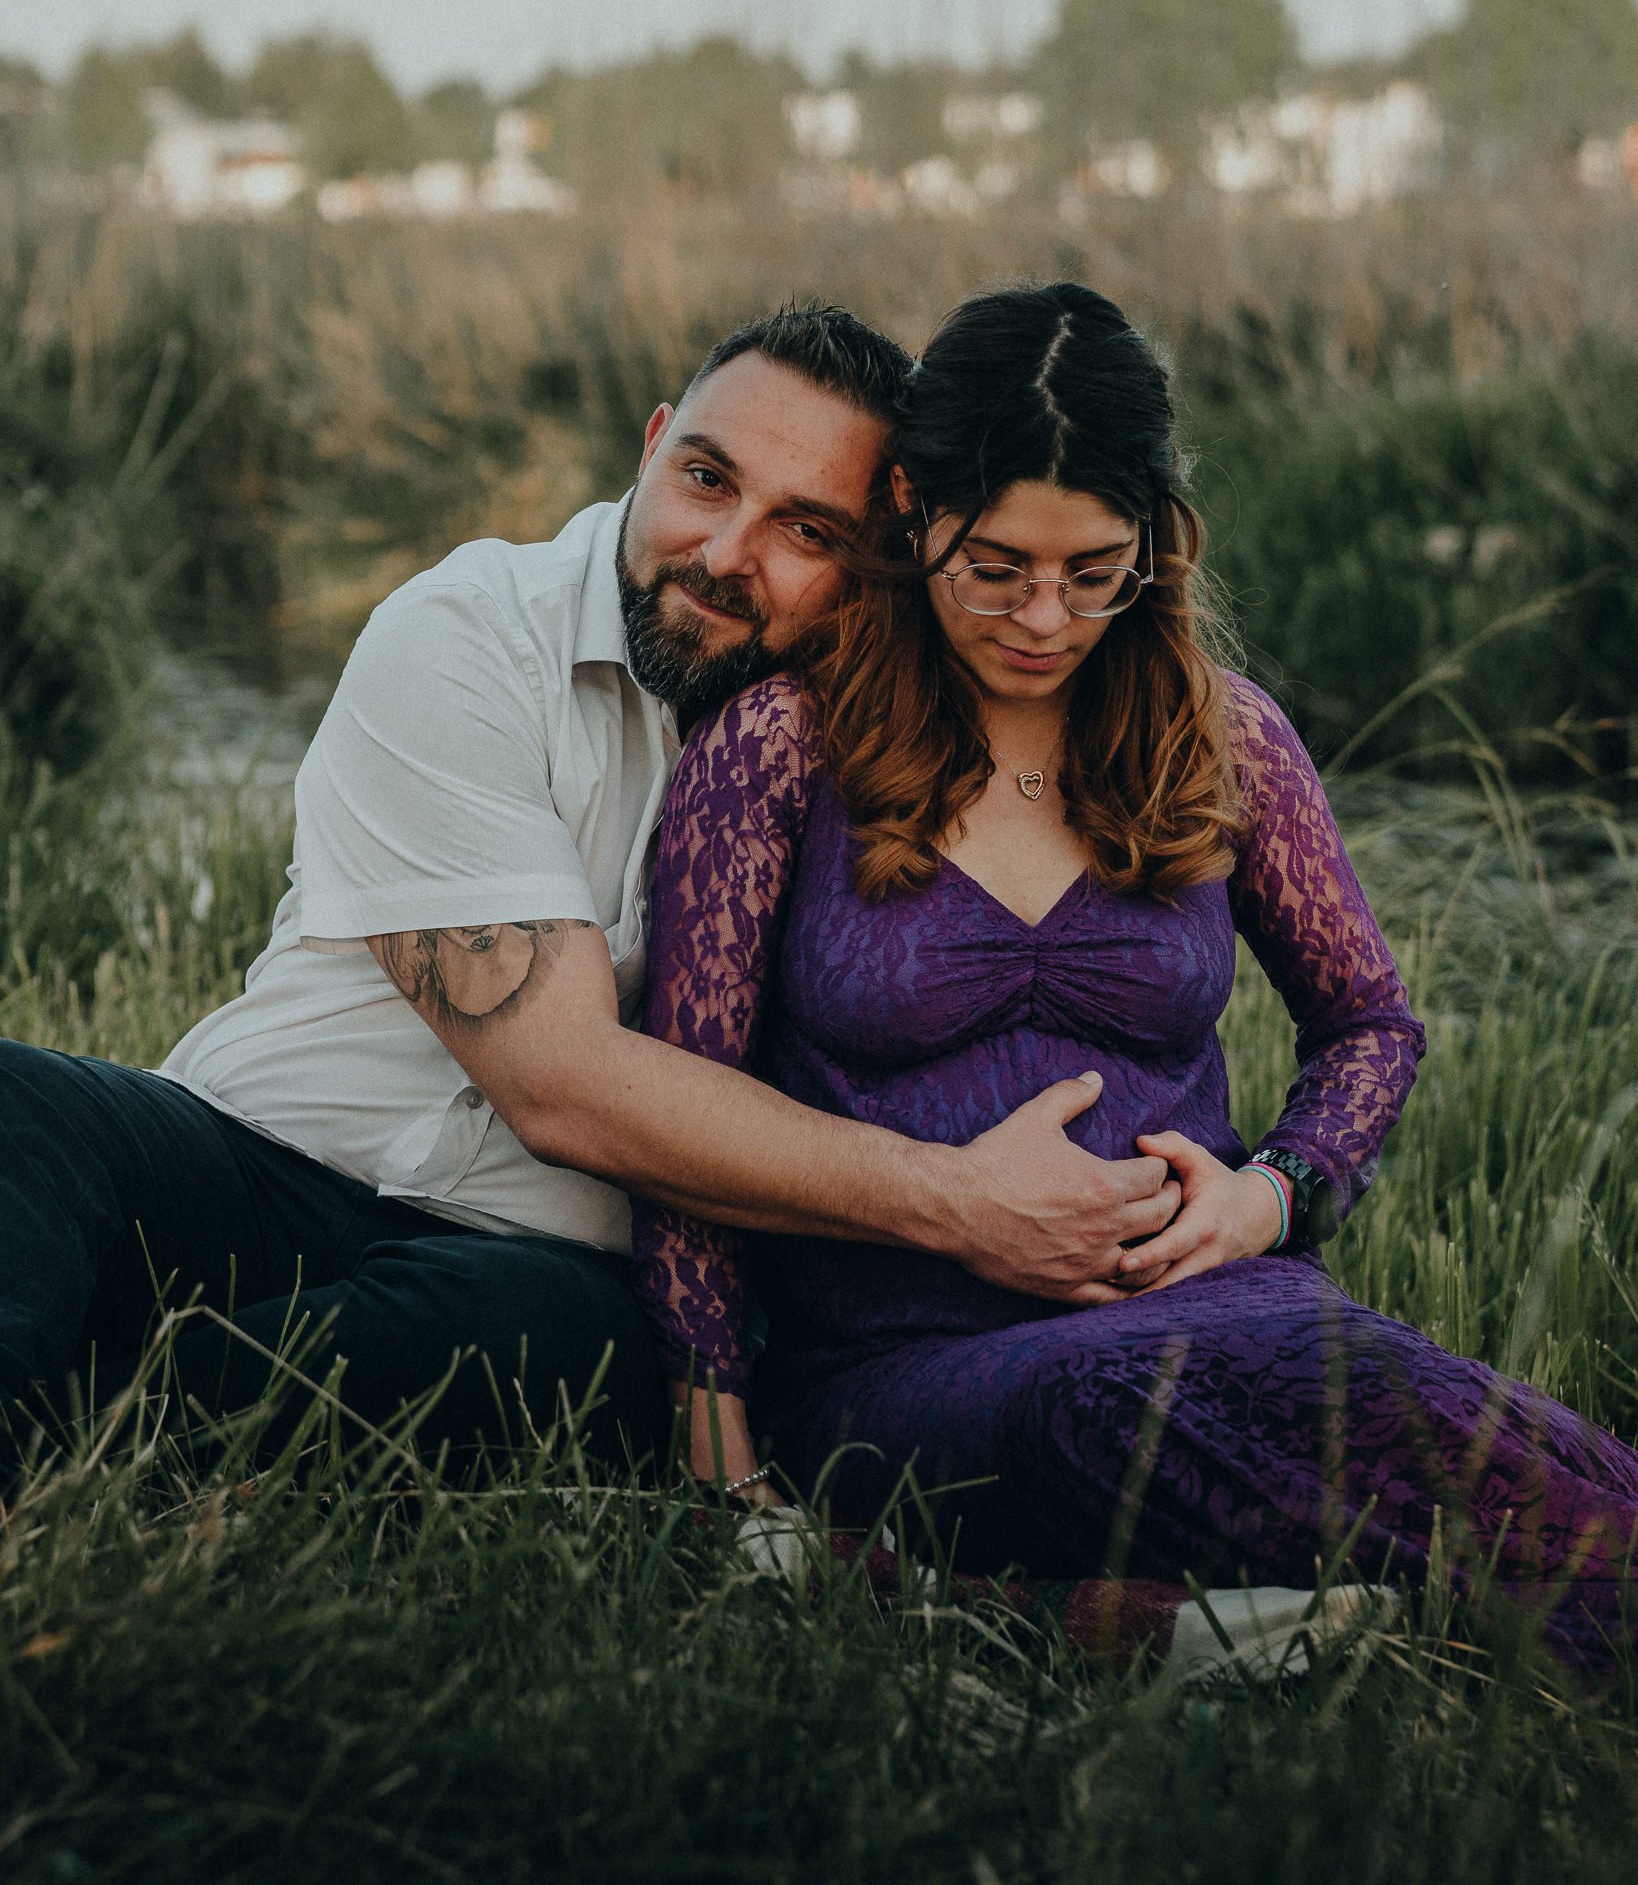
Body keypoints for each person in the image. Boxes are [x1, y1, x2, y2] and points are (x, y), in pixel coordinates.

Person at [0, 303, 1188, 1483]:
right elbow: (557, 1084)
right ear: (653, 442)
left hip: (529, 1267)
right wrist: (953, 1198)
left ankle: (74, 1444)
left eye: (804, 530)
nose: (725, 552)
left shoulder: (864, 745)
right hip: (248, 1156)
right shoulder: (464, 634)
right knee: (23, 1104)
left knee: (548, 1347)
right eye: (707, 479)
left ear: (879, 560)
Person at [632, 282, 1638, 1669]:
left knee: (1424, 1410)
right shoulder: (779, 753)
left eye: (1095, 568)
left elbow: (1369, 1026)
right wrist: (722, 1465)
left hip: (1234, 1314)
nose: (1045, 615)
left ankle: (1511, 1612)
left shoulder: (1223, 741)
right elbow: (681, 1118)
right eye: (995, 566)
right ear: (912, 510)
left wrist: (1265, 1200)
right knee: (1158, 1405)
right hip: (905, 1368)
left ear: (1153, 546)